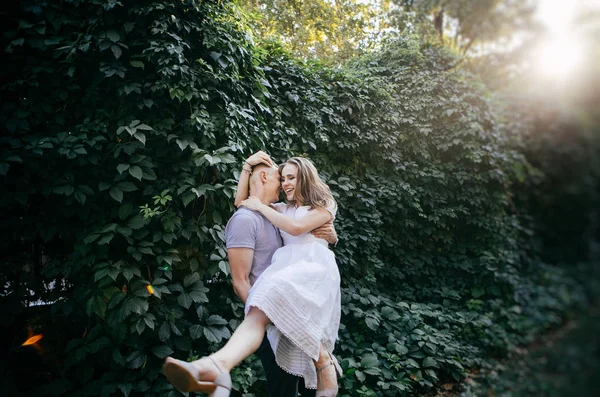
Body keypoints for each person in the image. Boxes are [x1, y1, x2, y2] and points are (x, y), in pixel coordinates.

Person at [163, 153, 342, 397]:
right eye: (283, 178)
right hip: (284, 281)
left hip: (310, 273)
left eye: (291, 177)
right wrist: (247, 169)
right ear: (267, 177)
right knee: (266, 318)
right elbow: (242, 204)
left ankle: (218, 368)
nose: (285, 183)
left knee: (314, 365)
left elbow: (298, 228)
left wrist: (330, 236)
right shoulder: (278, 210)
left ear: (306, 178)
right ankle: (217, 367)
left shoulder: (321, 205)